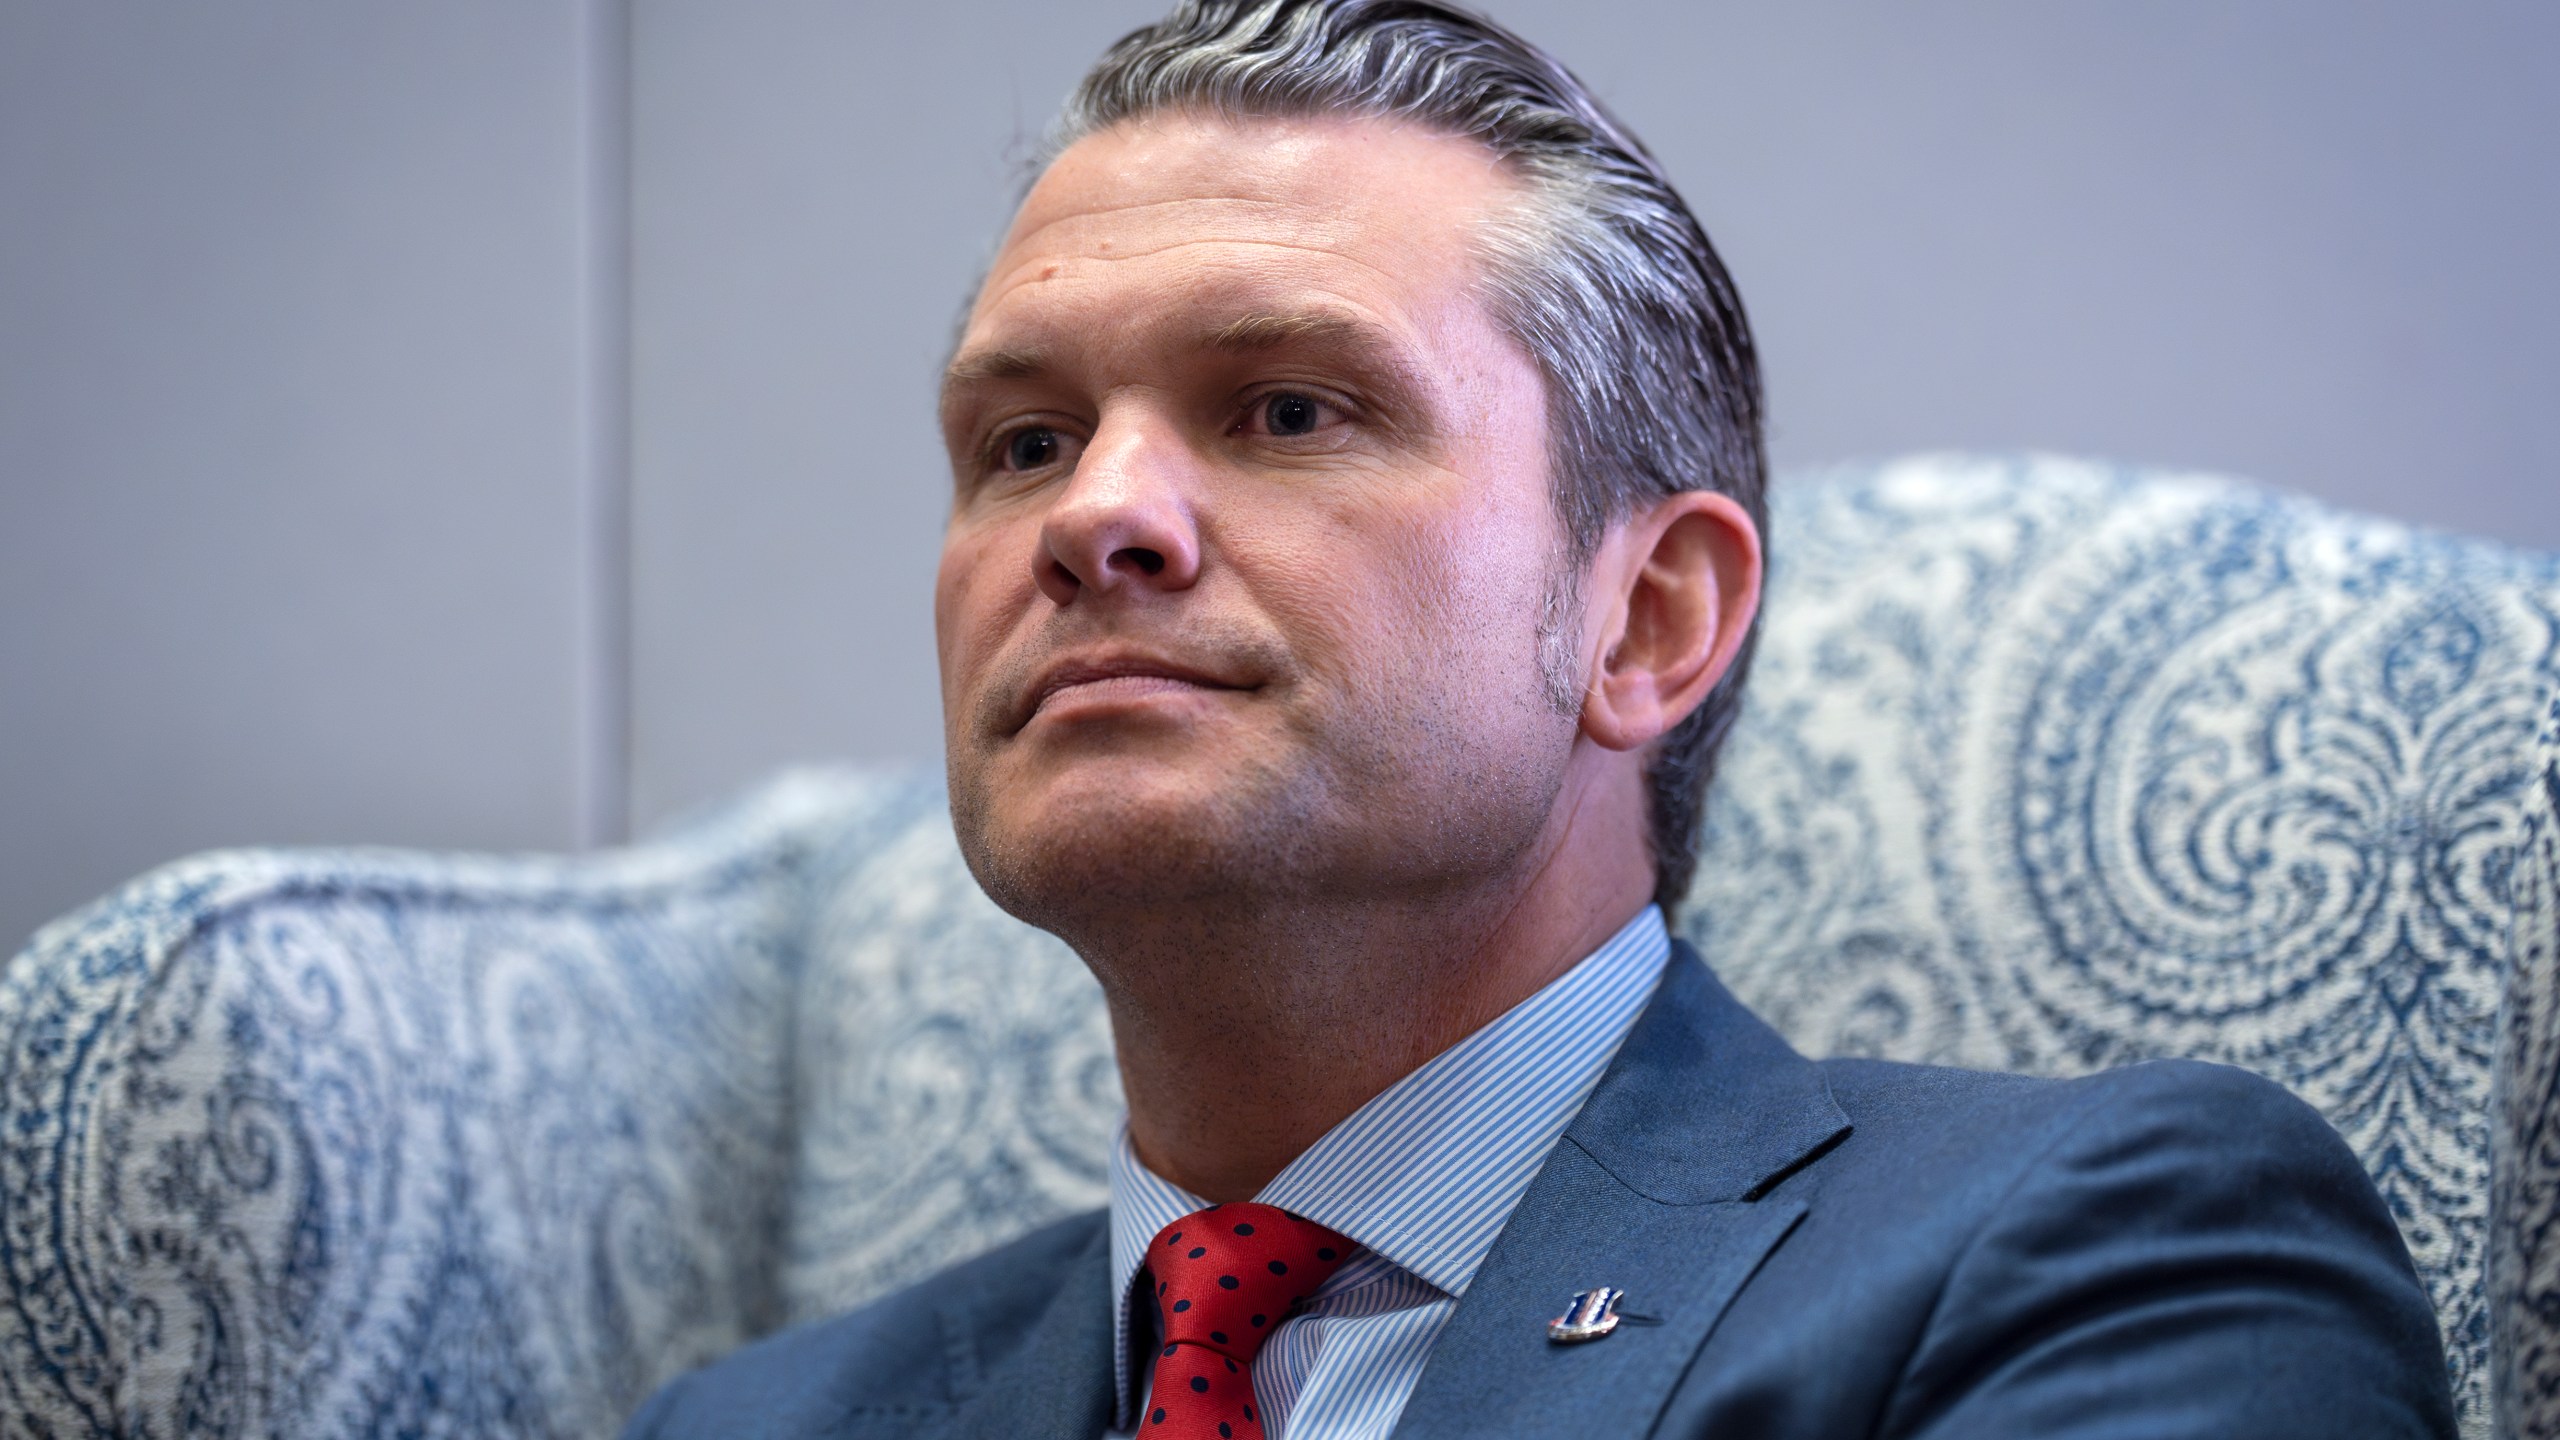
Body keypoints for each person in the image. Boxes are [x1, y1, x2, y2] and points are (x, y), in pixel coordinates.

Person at [625, 2, 2455, 1435]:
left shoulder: (2108, 1253)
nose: (1097, 513)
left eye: (1287, 411)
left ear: (1646, 620)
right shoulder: (752, 1419)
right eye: (1022, 443)